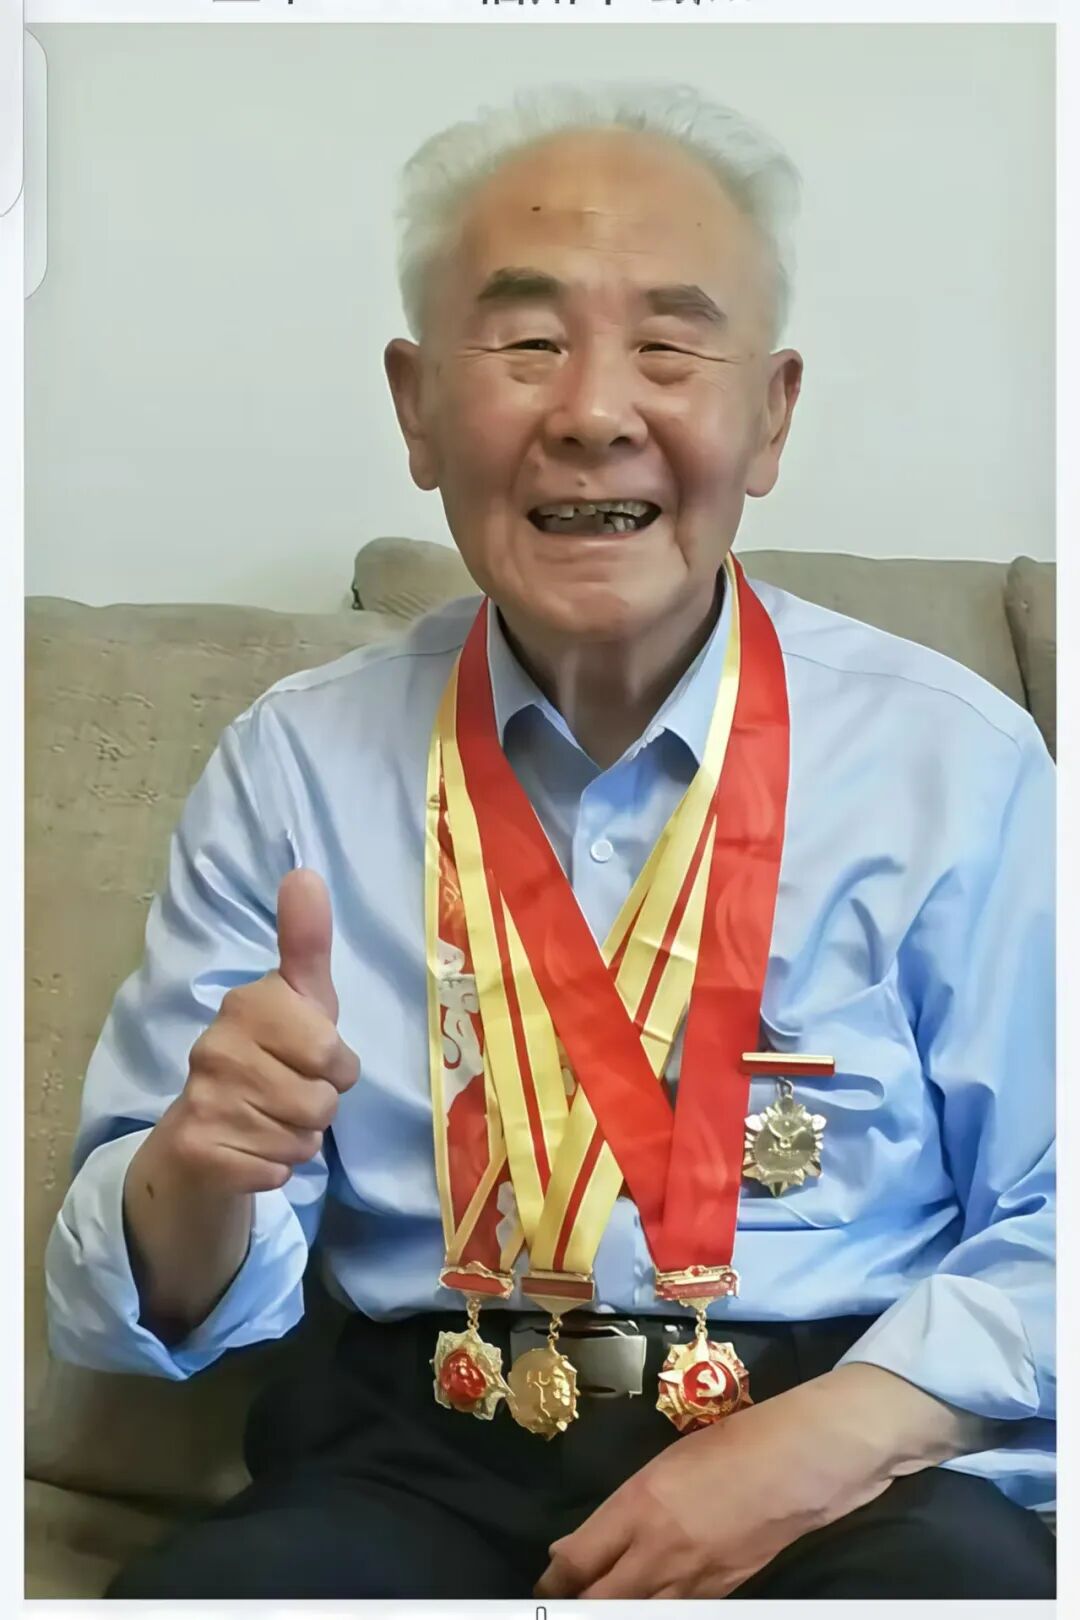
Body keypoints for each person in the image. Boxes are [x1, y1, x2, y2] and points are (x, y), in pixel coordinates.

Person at [44, 84, 1055, 1601]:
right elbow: (131, 1300)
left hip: (842, 1465)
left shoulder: (953, 762)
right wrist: (197, 1167)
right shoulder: (295, 763)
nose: (592, 412)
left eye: (668, 347)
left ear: (772, 414)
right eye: (526, 342)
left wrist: (834, 1436)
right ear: (416, 408)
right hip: (418, 1451)